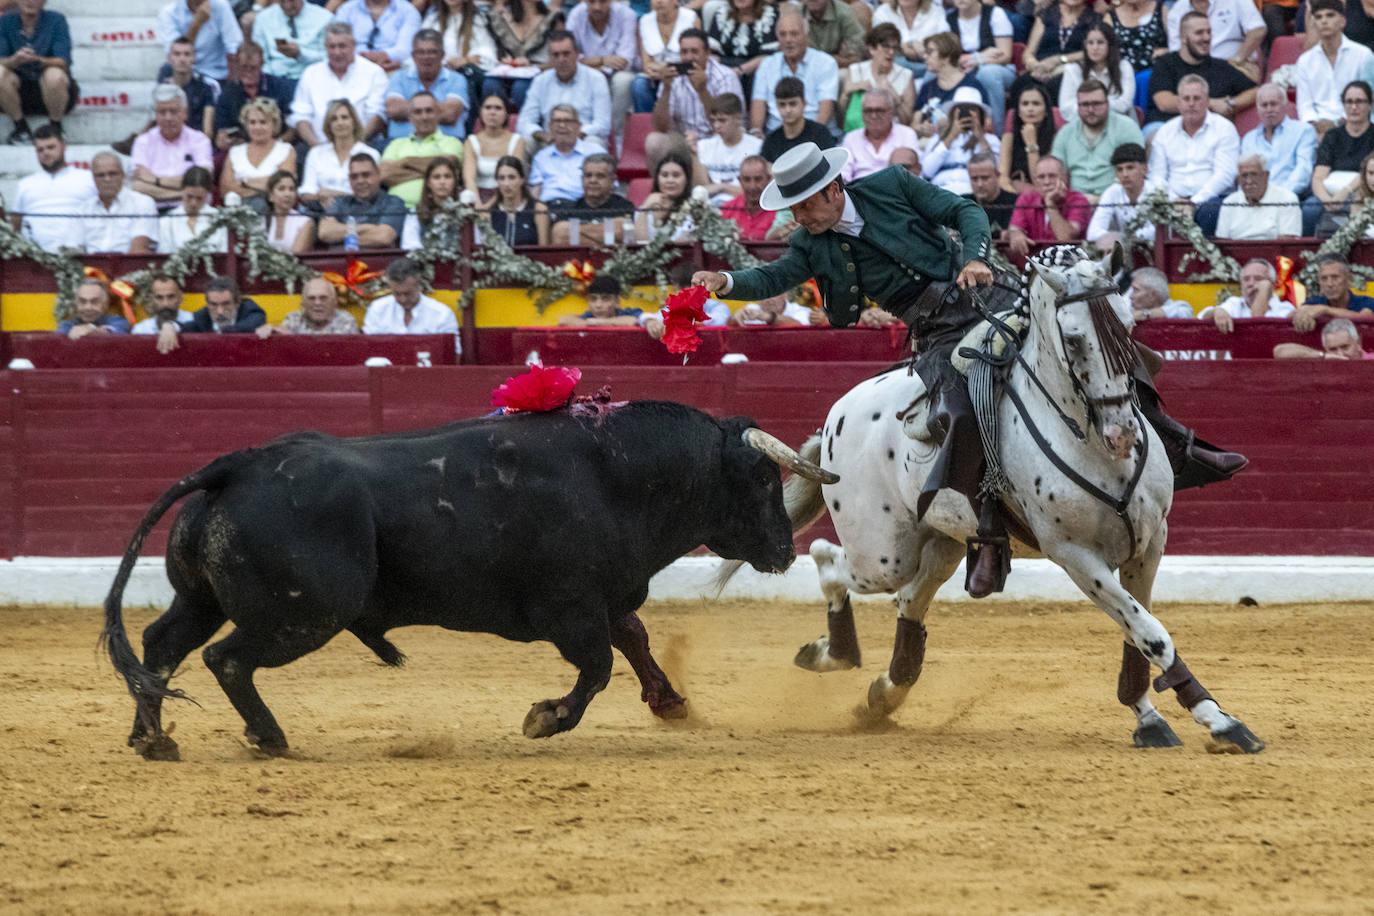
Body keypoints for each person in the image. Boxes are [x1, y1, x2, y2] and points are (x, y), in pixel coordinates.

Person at [690, 141, 1014, 594]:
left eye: (803, 206)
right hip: (938, 333)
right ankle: (989, 534)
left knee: (1081, 342)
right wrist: (724, 282)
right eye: (792, 209)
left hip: (986, 295)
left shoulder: (892, 184)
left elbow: (965, 212)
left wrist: (976, 256)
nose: (798, 218)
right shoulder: (808, 241)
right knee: (956, 413)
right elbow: (772, 276)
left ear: (833, 190)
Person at [1147, 73, 1239, 236]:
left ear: (1207, 101)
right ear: (1178, 103)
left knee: (1210, 211)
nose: (1191, 104)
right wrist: (1175, 200)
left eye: (1197, 98)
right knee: (1149, 206)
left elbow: (1225, 174)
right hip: (1173, 200)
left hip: (1211, 199)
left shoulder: (1224, 128)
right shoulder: (1165, 132)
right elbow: (1157, 176)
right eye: (1186, 98)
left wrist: (1195, 202)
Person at [646, 27, 743, 165]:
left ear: (707, 53)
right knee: (654, 141)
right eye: (684, 52)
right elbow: (660, 127)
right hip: (683, 141)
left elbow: (727, 122)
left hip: (718, 138)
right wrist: (666, 89)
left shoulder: (725, 76)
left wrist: (702, 90)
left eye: (694, 51)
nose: (689, 57)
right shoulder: (671, 77)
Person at [1145, 12, 1256, 129]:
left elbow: (1255, 91)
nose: (1206, 38)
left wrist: (1230, 103)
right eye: (1199, 33)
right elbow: (1164, 102)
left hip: (1208, 130)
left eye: (1209, 32)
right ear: (1183, 38)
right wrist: (1211, 104)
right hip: (1165, 125)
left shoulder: (1221, 66)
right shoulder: (1165, 63)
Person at [290, 23, 388, 147]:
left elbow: (377, 115)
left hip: (363, 143)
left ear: (353, 45)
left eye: (342, 46)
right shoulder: (310, 73)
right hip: (317, 145)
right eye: (332, 47)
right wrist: (316, 146)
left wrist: (352, 145)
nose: (337, 52)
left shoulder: (374, 72)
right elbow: (301, 116)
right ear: (325, 47)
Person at [1050, 79, 1145, 201]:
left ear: (1107, 104)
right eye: (1085, 104)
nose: (1090, 109)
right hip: (1075, 204)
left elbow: (1134, 170)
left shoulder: (1127, 127)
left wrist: (1102, 200)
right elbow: (1056, 172)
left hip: (1118, 201)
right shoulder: (1065, 133)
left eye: (1096, 104)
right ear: (1078, 106)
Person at [517, 31, 612, 151]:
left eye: (566, 54)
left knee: (594, 142)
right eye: (556, 55)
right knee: (525, 141)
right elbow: (524, 122)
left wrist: (575, 135)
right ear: (549, 58)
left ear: (577, 55)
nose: (561, 59)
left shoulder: (596, 79)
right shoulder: (540, 81)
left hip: (583, 141)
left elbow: (602, 125)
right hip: (549, 142)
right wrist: (542, 135)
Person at [0, 0, 76, 144]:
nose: (30, 1)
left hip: (53, 89)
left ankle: (55, 127)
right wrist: (15, 60)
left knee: (55, 73)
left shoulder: (56, 20)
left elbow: (63, 61)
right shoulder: (5, 21)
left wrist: (38, 60)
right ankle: (21, 128)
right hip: (17, 91)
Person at [749, 11, 838, 135]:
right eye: (783, 34)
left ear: (807, 36)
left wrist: (814, 137)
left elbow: (825, 107)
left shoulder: (825, 63)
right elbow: (758, 102)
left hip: (814, 131)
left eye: (794, 34)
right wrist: (756, 130)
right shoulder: (767, 64)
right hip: (777, 134)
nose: (788, 40)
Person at [10, 123, 94, 252]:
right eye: (40, 150)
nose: (46, 153)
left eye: (51, 147)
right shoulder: (25, 184)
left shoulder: (88, 178)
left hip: (79, 255)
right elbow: (15, 226)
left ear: (63, 146)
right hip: (34, 259)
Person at [1305, 79, 1374, 236]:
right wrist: (1327, 200)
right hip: (1332, 194)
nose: (1353, 107)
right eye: (1349, 101)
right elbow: (1318, 177)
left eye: (1359, 102)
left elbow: (1368, 173)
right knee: (1310, 208)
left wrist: (1344, 192)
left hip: (1365, 192)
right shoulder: (1332, 136)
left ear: (1370, 105)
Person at [128, 84, 215, 209]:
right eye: (162, 112)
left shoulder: (199, 140)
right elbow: (138, 186)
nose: (168, 118)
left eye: (173, 111)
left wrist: (155, 180)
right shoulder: (143, 142)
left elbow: (202, 181)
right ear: (155, 115)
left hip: (190, 210)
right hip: (153, 211)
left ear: (185, 113)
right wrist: (182, 193)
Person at [566, 0, 639, 148]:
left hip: (617, 74)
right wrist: (603, 60)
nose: (597, 7)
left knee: (623, 81)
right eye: (592, 2)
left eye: (603, 1)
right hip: (586, 75)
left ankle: (618, 138)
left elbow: (624, 61)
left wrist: (589, 64)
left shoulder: (627, 15)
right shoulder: (575, 15)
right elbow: (567, 57)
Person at [1296, 0, 1373, 139]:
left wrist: (1336, 124)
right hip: (1315, 131)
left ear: (1343, 21)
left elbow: (1367, 100)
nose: (1324, 21)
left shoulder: (1363, 55)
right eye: (1318, 17)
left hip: (1355, 126)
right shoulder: (1304, 61)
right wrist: (1315, 127)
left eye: (1330, 15)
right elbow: (1304, 107)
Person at [384, 29, 469, 142]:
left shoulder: (457, 79)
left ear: (442, 55)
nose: (426, 57)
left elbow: (450, 114)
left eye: (432, 52)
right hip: (401, 145)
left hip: (445, 146)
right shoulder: (398, 77)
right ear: (413, 55)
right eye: (421, 52)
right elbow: (393, 109)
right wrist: (436, 109)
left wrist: (410, 109)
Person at [380, 91, 463, 207]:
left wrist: (405, 162)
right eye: (418, 112)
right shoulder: (396, 144)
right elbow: (384, 175)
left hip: (439, 209)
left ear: (438, 114)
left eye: (429, 111)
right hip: (399, 211)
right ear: (410, 117)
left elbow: (449, 165)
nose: (424, 117)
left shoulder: (452, 142)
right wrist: (432, 172)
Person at [211, 42, 295, 152]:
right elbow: (221, 136)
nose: (248, 72)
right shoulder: (228, 93)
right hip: (240, 149)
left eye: (253, 68)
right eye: (244, 67)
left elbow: (292, 131)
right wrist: (227, 142)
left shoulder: (280, 87)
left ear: (262, 64)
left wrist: (272, 147)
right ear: (237, 65)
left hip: (276, 146)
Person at [1240, 82, 1318, 198]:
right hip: (1256, 201)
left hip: (1289, 198)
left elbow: (1303, 171)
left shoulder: (1304, 131)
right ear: (1257, 109)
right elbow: (1246, 176)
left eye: (1274, 104)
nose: (1269, 109)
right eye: (1264, 105)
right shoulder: (1249, 139)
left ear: (1285, 105)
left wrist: (1276, 197)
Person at [946, 0, 1015, 130]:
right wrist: (978, 57)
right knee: (935, 72)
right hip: (963, 68)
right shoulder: (947, 19)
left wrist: (978, 61)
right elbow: (945, 57)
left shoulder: (995, 14)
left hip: (999, 68)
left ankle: (997, 129)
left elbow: (1005, 55)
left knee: (987, 73)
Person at [1006, 155, 1093, 257]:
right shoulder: (1026, 199)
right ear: (1035, 180)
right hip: (1034, 263)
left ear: (1064, 178)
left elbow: (1065, 238)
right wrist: (1015, 234)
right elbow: (1014, 228)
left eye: (1052, 176)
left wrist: (1050, 204)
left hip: (1071, 263)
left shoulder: (1078, 200)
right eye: (1041, 177)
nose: (1046, 182)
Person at [301, 98, 380, 210]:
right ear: (329, 125)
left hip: (360, 211)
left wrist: (331, 194)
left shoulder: (370, 154)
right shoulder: (316, 153)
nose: (340, 123)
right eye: (334, 119)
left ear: (354, 122)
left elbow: (371, 195)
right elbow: (306, 192)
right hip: (321, 211)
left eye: (344, 117)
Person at [1015, 0, 1101, 102]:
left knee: (1055, 85)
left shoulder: (1094, 18)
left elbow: (1093, 51)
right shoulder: (1046, 14)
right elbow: (1028, 53)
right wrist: (1036, 66)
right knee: (1021, 84)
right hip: (1040, 68)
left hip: (1070, 68)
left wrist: (1059, 60)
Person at [317, 153, 407, 249]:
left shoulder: (393, 202)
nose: (360, 181)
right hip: (339, 261)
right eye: (354, 177)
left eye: (366, 175)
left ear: (378, 174)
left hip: (375, 260)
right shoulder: (339, 202)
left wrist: (345, 238)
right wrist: (368, 228)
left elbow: (384, 237)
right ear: (349, 180)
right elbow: (324, 232)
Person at [921, 86, 999, 194]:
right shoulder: (936, 140)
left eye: (972, 110)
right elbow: (926, 172)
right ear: (953, 113)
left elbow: (995, 169)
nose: (966, 114)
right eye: (962, 109)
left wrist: (980, 137)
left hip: (974, 192)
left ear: (980, 114)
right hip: (941, 191)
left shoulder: (991, 140)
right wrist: (950, 137)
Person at [484, 0, 557, 111]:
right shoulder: (499, 18)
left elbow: (559, 58)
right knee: (490, 83)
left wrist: (533, 66)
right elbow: (490, 54)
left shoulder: (552, 19)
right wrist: (503, 61)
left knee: (521, 86)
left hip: (541, 71)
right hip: (507, 73)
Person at [79, 152, 158, 254]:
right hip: (89, 268)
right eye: (100, 175)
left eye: (112, 174)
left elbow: (139, 250)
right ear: (93, 178)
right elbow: (76, 249)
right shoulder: (83, 209)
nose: (107, 179)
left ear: (123, 175)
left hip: (129, 266)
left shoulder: (142, 203)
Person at [840, 24, 915, 130]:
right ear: (871, 49)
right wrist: (848, 92)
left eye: (894, 48)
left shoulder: (905, 75)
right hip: (857, 131)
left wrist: (893, 95)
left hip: (892, 133)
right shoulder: (855, 70)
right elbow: (842, 114)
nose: (891, 52)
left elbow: (907, 121)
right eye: (886, 46)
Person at [220, 96, 295, 201]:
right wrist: (263, 189)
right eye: (252, 122)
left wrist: (245, 182)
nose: (257, 127)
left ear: (274, 124)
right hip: (239, 211)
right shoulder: (235, 152)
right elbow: (226, 189)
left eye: (263, 122)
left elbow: (283, 186)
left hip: (273, 211)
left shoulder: (286, 150)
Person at [549, 153, 635, 244]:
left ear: (612, 181)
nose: (593, 180)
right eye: (588, 175)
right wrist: (607, 234)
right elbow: (559, 233)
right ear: (582, 179)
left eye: (600, 176)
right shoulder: (570, 210)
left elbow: (622, 231)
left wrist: (575, 231)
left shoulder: (624, 206)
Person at [1086, 142, 1158, 250]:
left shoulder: (1157, 191)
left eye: (1130, 168)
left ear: (1144, 169)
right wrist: (1119, 239)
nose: (1124, 174)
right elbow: (1092, 233)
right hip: (1120, 253)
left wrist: (1120, 238)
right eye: (1119, 169)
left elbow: (1157, 232)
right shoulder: (1112, 192)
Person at [1165, 0, 1265, 78]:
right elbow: (1177, 52)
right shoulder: (1176, 12)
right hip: (1196, 72)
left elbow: (1258, 30)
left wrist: (1236, 60)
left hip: (1237, 65)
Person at [362, 256, 460, 335]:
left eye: (408, 293)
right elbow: (369, 348)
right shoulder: (377, 309)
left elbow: (452, 354)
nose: (403, 299)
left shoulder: (442, 314)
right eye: (397, 294)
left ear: (419, 285)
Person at [1058, 24, 1135, 122]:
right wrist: (1100, 106)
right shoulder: (1073, 69)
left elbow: (1124, 104)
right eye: (1090, 43)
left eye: (1100, 42)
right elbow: (1066, 108)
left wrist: (1087, 105)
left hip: (1119, 124)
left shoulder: (1124, 67)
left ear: (1110, 45)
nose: (1095, 47)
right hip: (1082, 125)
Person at [633, 0, 700, 113]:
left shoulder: (691, 18)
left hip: (683, 73)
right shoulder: (644, 21)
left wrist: (669, 71)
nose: (658, 2)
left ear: (675, 1)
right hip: (656, 76)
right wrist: (660, 72)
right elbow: (647, 64)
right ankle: (647, 127)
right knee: (639, 85)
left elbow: (696, 60)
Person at [705, 0, 779, 101]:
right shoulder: (721, 13)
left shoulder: (770, 15)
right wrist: (727, 74)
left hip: (755, 74)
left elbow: (769, 56)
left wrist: (740, 70)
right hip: (724, 73)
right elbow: (711, 54)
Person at [839, 87, 918, 181]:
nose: (874, 116)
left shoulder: (907, 134)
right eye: (868, 111)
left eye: (880, 110)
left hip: (896, 191)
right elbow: (844, 175)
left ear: (891, 112)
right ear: (862, 113)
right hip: (858, 192)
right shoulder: (851, 138)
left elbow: (914, 175)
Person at [695, 92, 762, 202]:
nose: (716, 126)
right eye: (713, 120)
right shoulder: (703, 146)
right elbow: (699, 188)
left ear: (738, 118)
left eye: (722, 120)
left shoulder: (756, 147)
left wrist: (722, 187)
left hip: (743, 207)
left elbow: (757, 191)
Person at [1215, 154, 1302, 238]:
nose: (1249, 181)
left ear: (1266, 176)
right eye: (1244, 176)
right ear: (1238, 179)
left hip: (1274, 252)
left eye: (1254, 175)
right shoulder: (1229, 202)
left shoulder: (1287, 199)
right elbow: (1223, 242)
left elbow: (1286, 243)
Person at [913, 31, 984, 129]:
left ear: (946, 57)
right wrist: (921, 129)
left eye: (930, 52)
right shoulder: (927, 87)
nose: (925, 56)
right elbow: (914, 124)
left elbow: (986, 123)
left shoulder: (972, 86)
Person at [528, 104, 599, 204]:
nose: (562, 125)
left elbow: (606, 187)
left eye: (567, 121)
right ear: (550, 127)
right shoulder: (541, 157)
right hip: (547, 209)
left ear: (578, 126)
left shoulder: (594, 152)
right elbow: (535, 191)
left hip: (582, 209)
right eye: (557, 121)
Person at [1197, 257, 1293, 331]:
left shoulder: (1284, 308)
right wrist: (1216, 311)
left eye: (1258, 279)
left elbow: (1257, 325)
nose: (1251, 283)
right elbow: (1200, 318)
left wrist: (1263, 293)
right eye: (1246, 279)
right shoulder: (1234, 303)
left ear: (1273, 285)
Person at [158, 0, 242, 82]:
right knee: (166, 70)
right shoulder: (169, 12)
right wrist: (196, 25)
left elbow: (234, 46)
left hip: (216, 73)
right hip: (186, 73)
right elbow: (174, 52)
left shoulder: (220, 5)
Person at [463, 92, 524, 202]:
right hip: (477, 197)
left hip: (507, 198)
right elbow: (469, 179)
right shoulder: (471, 141)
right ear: (481, 112)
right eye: (488, 108)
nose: (492, 112)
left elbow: (515, 179)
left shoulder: (517, 141)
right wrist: (479, 206)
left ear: (506, 114)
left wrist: (490, 207)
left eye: (498, 108)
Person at [760, 75, 836, 161]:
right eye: (782, 104)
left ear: (804, 103)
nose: (788, 110)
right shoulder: (771, 140)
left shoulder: (820, 133)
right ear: (777, 106)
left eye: (793, 104)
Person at [156, 35, 219, 140]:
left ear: (193, 58)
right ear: (169, 58)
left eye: (187, 54)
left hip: (195, 146)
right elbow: (157, 124)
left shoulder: (205, 89)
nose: (182, 59)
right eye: (177, 54)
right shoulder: (162, 89)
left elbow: (208, 131)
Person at [252, 0, 331, 82]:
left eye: (292, 1)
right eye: (283, 1)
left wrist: (300, 54)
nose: (287, 6)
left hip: (310, 78)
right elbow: (259, 55)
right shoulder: (264, 17)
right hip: (272, 77)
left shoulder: (324, 18)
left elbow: (328, 58)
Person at [333, 0, 422, 72]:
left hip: (391, 68)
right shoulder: (346, 9)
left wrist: (384, 55)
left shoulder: (408, 11)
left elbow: (406, 49)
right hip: (352, 66)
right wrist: (362, 58)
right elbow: (337, 42)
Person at [171, 275, 268, 341]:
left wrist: (222, 331)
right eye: (214, 305)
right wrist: (170, 326)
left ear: (237, 303)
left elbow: (254, 321)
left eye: (226, 304)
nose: (220, 311)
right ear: (208, 305)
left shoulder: (249, 310)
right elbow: (186, 327)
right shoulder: (202, 316)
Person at [1291, 254, 1374, 330]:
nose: (1329, 284)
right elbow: (1291, 316)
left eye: (1335, 277)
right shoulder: (1314, 303)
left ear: (1349, 279)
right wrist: (1303, 315)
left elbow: (1364, 318)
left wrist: (1326, 310)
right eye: (1324, 278)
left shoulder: (1366, 302)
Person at [480, 154, 549, 245]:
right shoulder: (488, 214)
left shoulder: (539, 209)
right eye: (502, 178)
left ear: (522, 180)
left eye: (512, 177)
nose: (506, 184)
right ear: (497, 182)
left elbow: (544, 250)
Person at [257, 277, 360, 336]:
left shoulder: (346, 320)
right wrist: (272, 331)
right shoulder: (294, 318)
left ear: (334, 302)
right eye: (311, 298)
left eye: (323, 298)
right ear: (303, 303)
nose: (317, 303)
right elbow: (282, 334)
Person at [424, 0, 498, 82]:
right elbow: (422, 49)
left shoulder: (477, 20)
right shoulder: (432, 19)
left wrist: (465, 60)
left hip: (466, 75)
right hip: (436, 74)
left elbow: (486, 54)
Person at [998, 84, 1052, 194]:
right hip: (1015, 197)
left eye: (1036, 104)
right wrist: (1020, 200)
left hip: (1044, 197)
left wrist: (1031, 143)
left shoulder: (1055, 138)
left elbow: (1040, 181)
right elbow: (1002, 179)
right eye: (1025, 104)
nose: (1030, 109)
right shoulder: (1008, 138)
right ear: (1018, 112)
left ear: (1046, 111)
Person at [158, 166, 226, 252]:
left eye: (199, 198)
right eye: (189, 197)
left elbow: (224, 253)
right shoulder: (167, 221)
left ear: (207, 194)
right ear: (182, 190)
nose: (193, 203)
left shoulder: (219, 218)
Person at [635, 150, 696, 240]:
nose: (670, 180)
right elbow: (639, 243)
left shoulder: (695, 208)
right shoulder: (646, 208)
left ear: (686, 180)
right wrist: (645, 208)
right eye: (664, 175)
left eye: (676, 175)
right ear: (657, 179)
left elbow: (683, 246)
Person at [401, 156, 459, 247]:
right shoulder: (415, 212)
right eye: (436, 177)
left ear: (455, 181)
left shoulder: (465, 212)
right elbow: (410, 245)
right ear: (428, 183)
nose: (442, 182)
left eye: (447, 176)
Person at [1104, 0, 1168, 80]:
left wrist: (1168, 51)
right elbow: (1105, 51)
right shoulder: (1110, 17)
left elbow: (1178, 46)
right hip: (1124, 78)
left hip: (1158, 75)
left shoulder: (1163, 10)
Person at [964, 149, 1018, 236]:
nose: (980, 184)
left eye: (985, 178)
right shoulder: (963, 203)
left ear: (997, 175)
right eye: (974, 179)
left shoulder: (1015, 202)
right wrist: (1000, 234)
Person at [799, 0, 865, 69]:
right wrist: (836, 59)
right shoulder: (796, 14)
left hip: (839, 69)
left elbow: (857, 54)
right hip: (806, 68)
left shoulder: (845, 12)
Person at [720, 153, 772, 239]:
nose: (752, 186)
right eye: (747, 180)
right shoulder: (726, 210)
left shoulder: (780, 212)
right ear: (740, 180)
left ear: (768, 179)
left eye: (758, 179)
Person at [557, 274, 643, 326]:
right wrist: (591, 323)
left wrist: (600, 322)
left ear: (617, 302)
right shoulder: (590, 316)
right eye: (593, 299)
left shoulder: (628, 313)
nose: (598, 305)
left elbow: (633, 321)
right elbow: (563, 320)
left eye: (605, 299)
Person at [57, 278, 130, 338]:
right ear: (76, 304)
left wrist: (92, 330)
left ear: (105, 304)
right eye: (82, 301)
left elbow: (118, 333)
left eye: (94, 302)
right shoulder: (67, 325)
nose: (88, 307)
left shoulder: (119, 322)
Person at [262, 169, 316, 253]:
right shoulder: (261, 221)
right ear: (270, 196)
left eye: (291, 189)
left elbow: (296, 256)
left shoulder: (305, 222)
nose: (287, 194)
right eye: (281, 189)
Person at [1273, 316, 1373, 358]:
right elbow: (1279, 351)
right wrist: (1322, 356)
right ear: (1325, 348)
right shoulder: (1324, 359)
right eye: (1333, 349)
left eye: (1345, 347)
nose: (1340, 354)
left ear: (1358, 343)